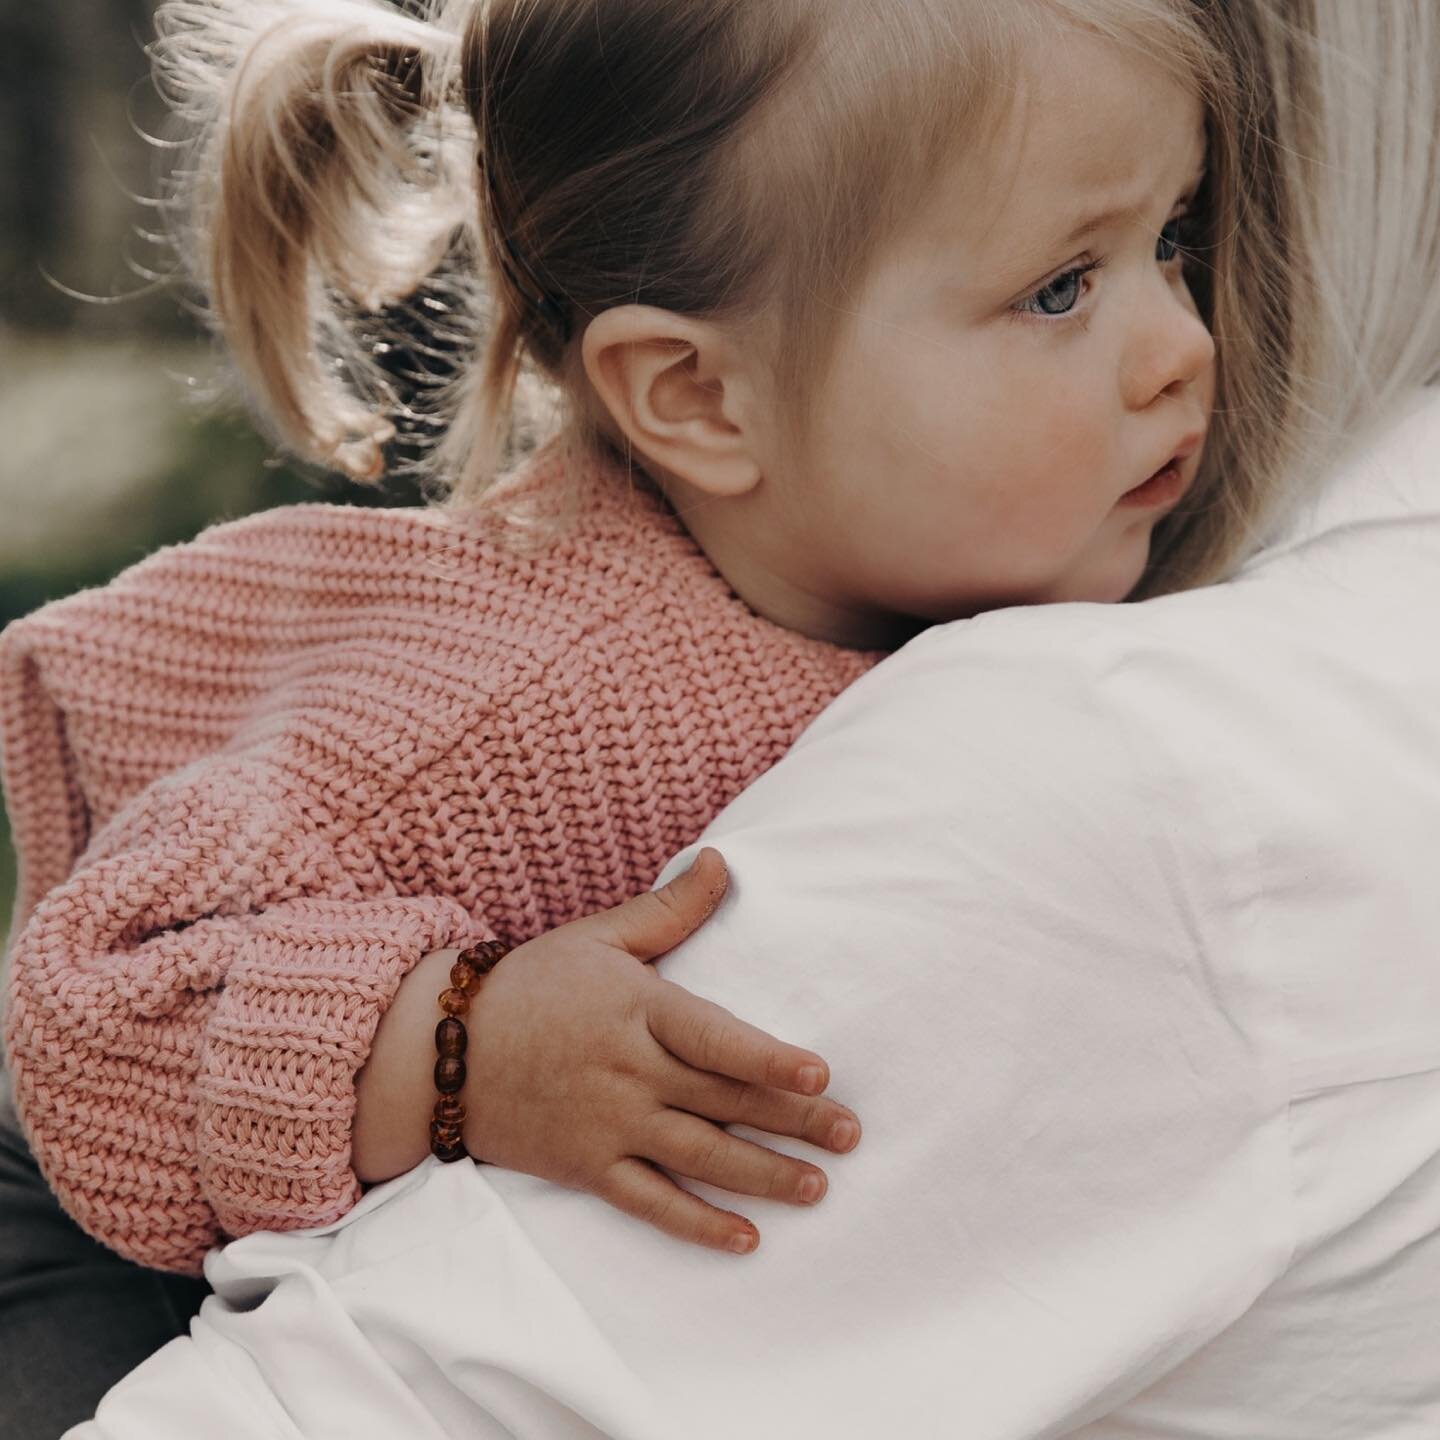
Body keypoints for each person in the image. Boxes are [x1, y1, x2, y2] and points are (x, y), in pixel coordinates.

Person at [2, 0, 1424, 1431]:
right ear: (697, 396)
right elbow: (95, 1006)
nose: (1179, 343)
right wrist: (455, 1043)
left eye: (1169, 241)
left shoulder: (950, 588)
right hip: (77, 1283)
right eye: (1060, 290)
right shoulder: (513, 699)